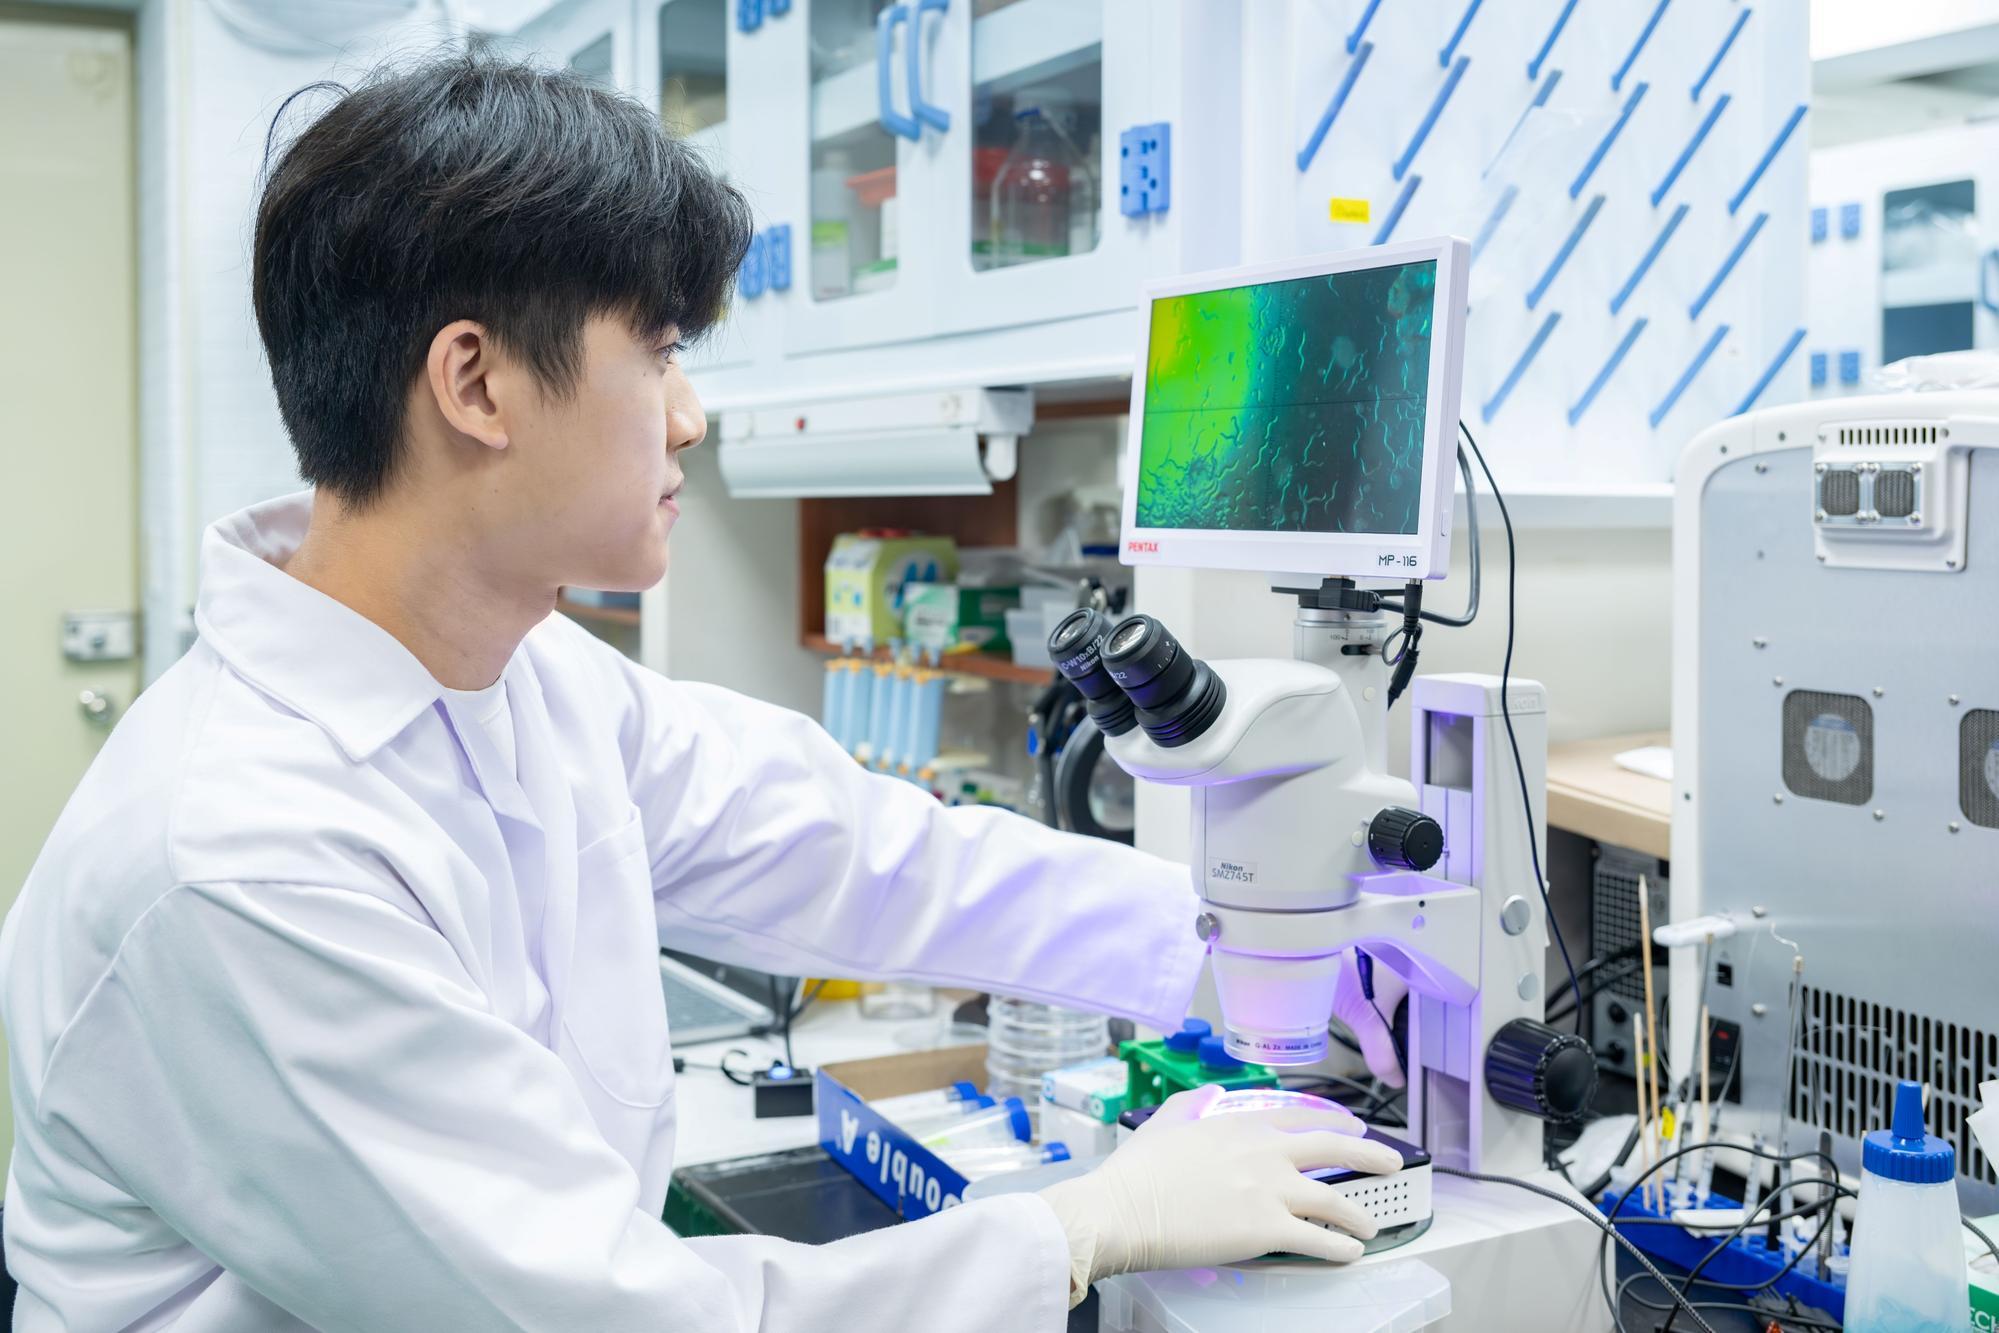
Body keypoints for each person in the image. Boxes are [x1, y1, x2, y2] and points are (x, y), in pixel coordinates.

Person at [0, 54, 1403, 1331]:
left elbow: (842, 843)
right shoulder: (243, 857)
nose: (690, 414)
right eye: (660, 350)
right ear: (476, 382)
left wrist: (1236, 939)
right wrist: (1089, 1222)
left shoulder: (520, 671)